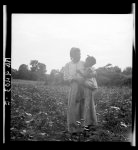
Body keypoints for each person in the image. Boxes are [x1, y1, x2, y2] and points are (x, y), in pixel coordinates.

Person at [63, 47, 98, 134]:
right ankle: (74, 128)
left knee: (85, 106)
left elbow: (94, 71)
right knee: (73, 107)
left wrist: (91, 74)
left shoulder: (83, 63)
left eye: (80, 54)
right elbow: (65, 78)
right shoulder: (67, 65)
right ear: (72, 55)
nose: (79, 55)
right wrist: (75, 79)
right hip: (74, 88)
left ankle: (86, 127)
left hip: (85, 88)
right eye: (77, 54)